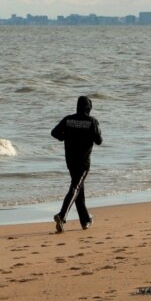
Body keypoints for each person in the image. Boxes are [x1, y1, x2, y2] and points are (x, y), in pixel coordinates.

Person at [51, 95, 103, 233]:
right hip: (83, 161)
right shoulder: (92, 121)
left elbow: (54, 132)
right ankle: (62, 216)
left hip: (70, 160)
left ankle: (85, 220)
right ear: (88, 108)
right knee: (76, 187)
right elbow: (99, 141)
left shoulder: (68, 119)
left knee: (78, 188)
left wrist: (64, 137)